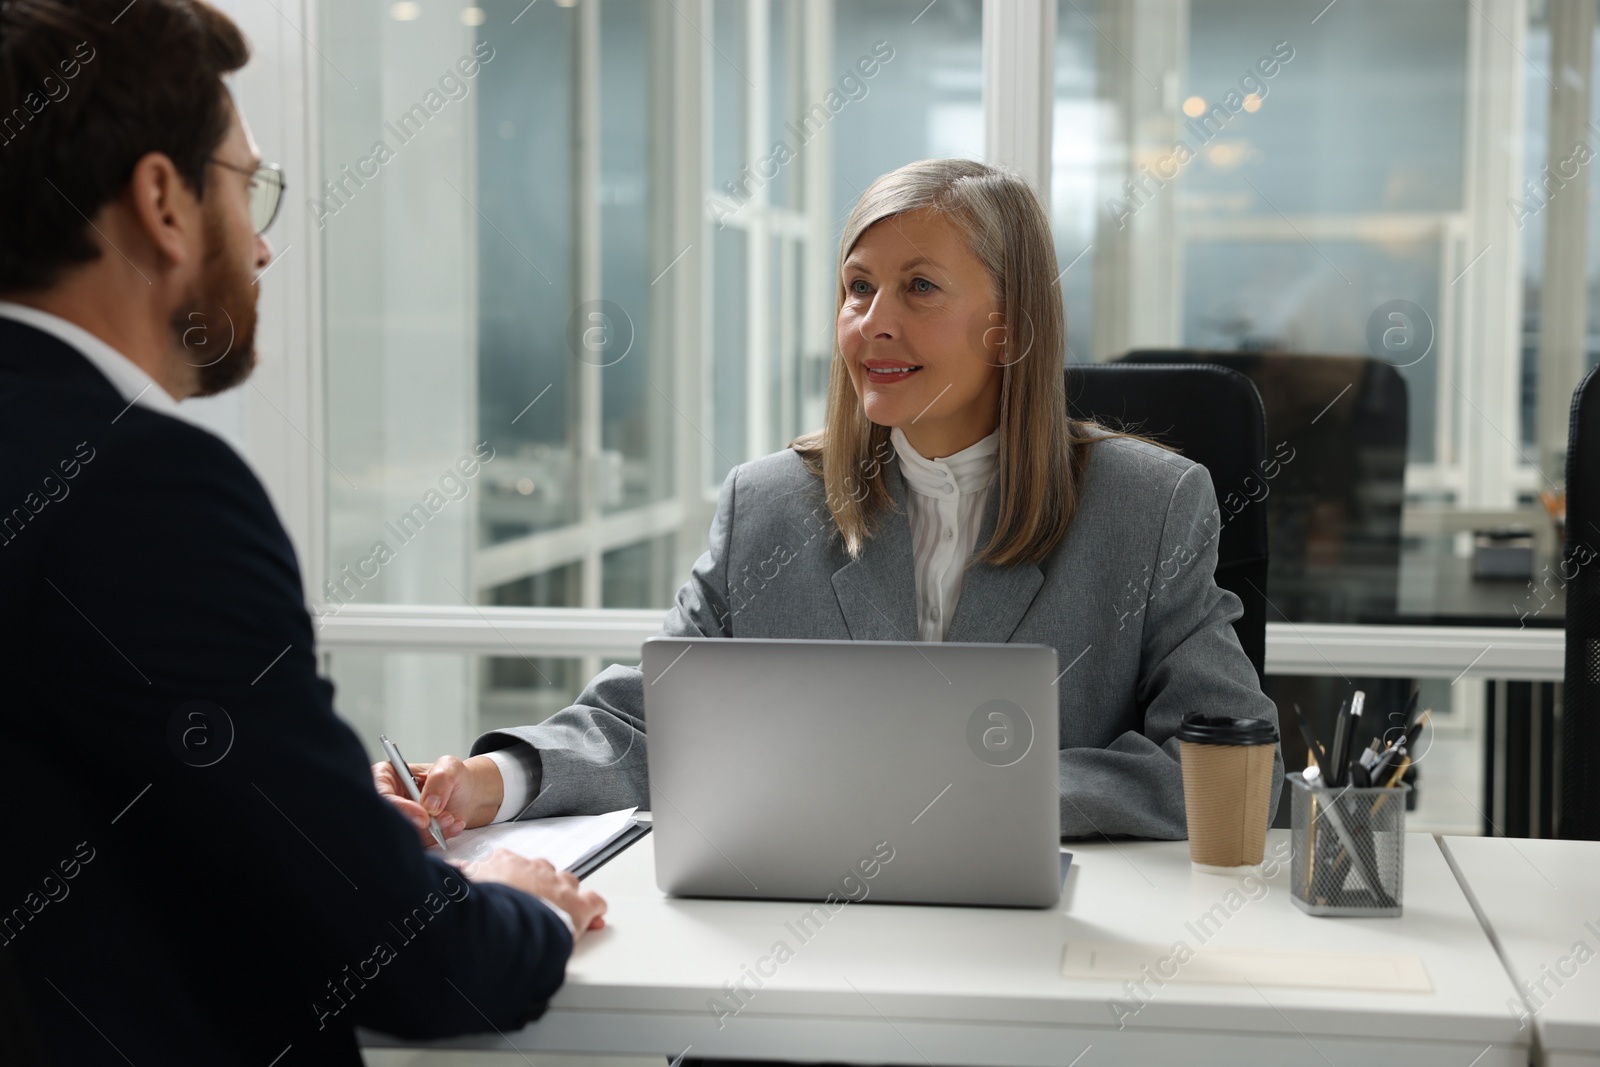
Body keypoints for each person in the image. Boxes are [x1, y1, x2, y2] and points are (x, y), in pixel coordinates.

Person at [0, 1, 603, 1063]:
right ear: (162, 204)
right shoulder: (141, 488)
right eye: (247, 184)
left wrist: (329, 826)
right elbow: (416, 961)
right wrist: (523, 901)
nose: (266, 243)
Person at [378, 158, 1283, 848]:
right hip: (797, 947)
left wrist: (982, 792)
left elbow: (1231, 763)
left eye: (918, 287)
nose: (873, 320)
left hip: (1043, 958)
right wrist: (490, 779)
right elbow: (648, 722)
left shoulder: (1149, 505)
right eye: (858, 287)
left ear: (1011, 327)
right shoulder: (769, 505)